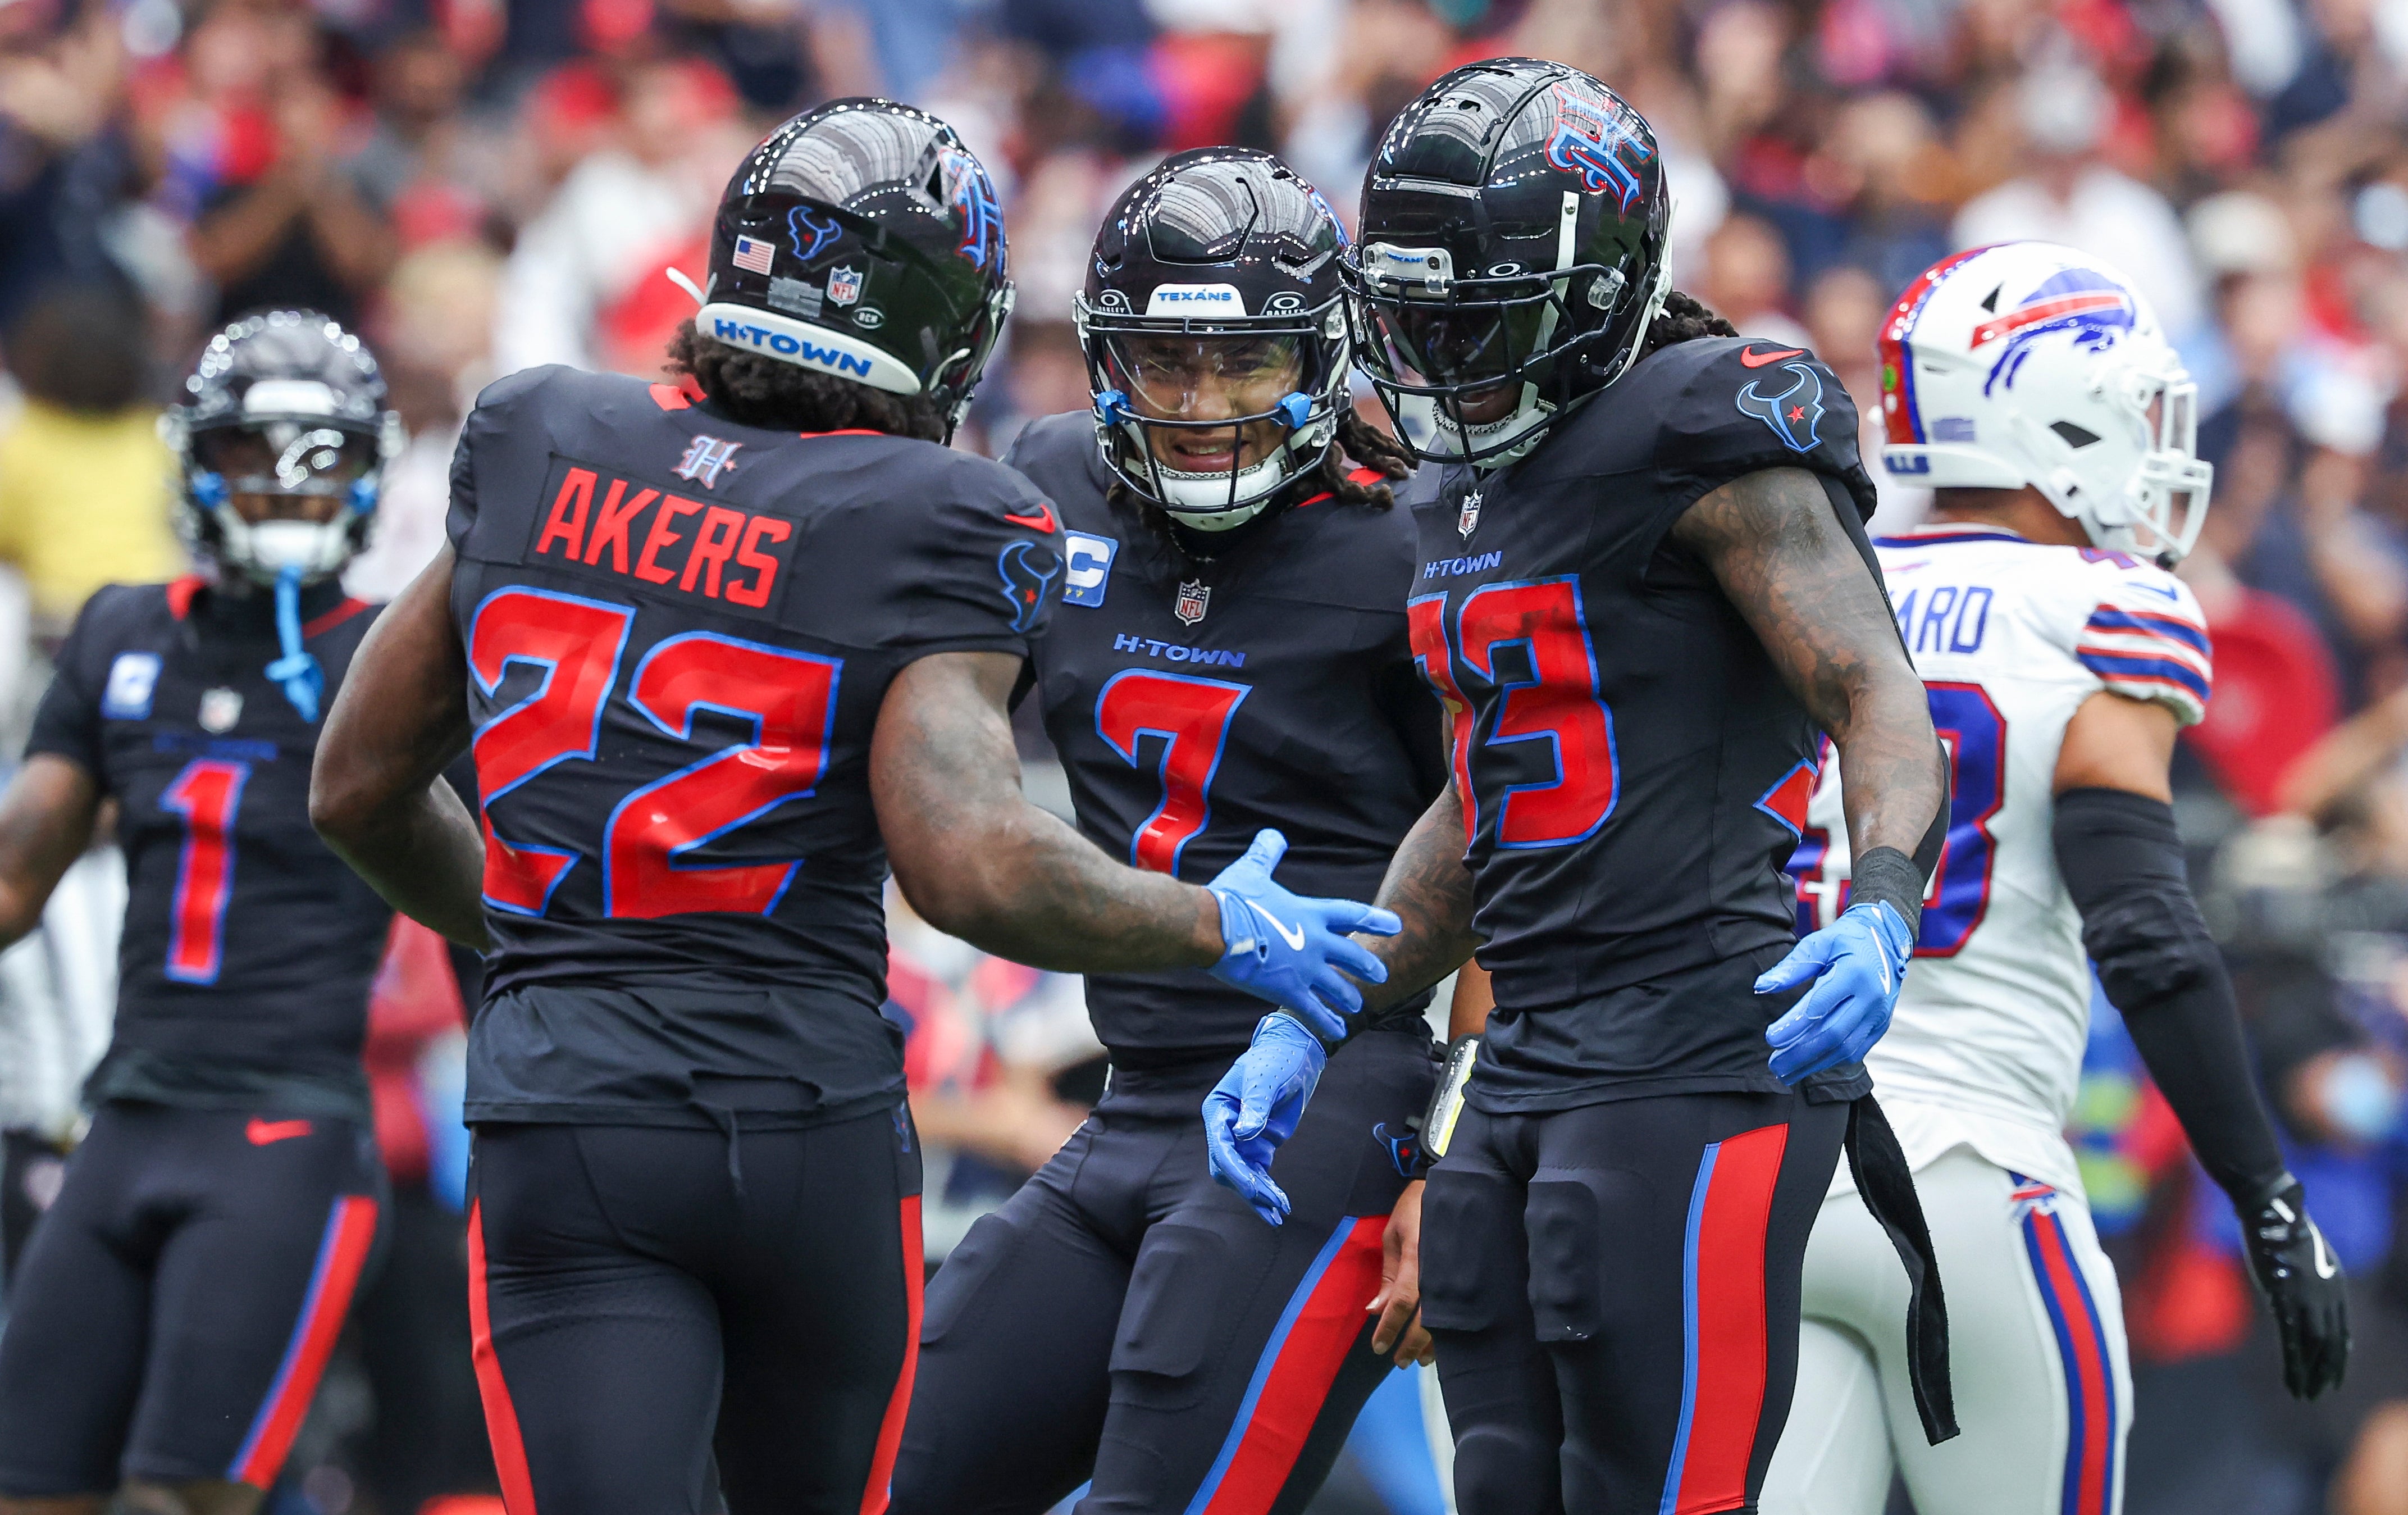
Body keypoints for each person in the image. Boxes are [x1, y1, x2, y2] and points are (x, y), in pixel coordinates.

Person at [305, 100, 1397, 1515]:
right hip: (806, 1110)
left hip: (568, 1104)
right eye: (1163, 363)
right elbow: (965, 861)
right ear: (950, 328)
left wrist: (538, 927)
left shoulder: (535, 430)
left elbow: (356, 785)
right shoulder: (948, 505)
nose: (1195, 395)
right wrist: (1217, 925)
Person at [1206, 59, 1955, 1515]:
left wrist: (1878, 909)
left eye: (1473, 317)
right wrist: (1326, 1012)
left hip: (1694, 1048)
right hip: (1525, 1061)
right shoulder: (1456, 488)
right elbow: (1485, 794)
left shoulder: (1702, 424)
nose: (1439, 353)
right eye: (1418, 314)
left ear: (1594, 285)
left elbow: (1873, 685)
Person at [892, 148, 1449, 1515]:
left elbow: (1502, 834)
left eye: (1247, 364)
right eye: (1164, 363)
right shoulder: (1049, 481)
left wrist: (1463, 1142)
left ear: (1320, 354)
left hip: (1327, 1093)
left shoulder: (1411, 538)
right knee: (891, 1476)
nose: (1201, 406)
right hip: (1129, 1094)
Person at [1759, 242, 2351, 1515]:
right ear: (2049, 410)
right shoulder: (2093, 607)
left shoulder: (1816, 584)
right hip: (1976, 1180)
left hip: (1775, 1177)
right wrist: (2264, 1192)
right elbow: (2146, 934)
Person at [0, 311, 403, 1515]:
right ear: (192, 457)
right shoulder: (123, 630)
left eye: (319, 456)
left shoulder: (393, 652)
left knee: (182, 1500)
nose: (285, 489)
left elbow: (507, 889)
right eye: (255, 454)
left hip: (285, 1128)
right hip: (121, 1117)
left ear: (371, 466)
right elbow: (18, 876)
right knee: (26, 1487)